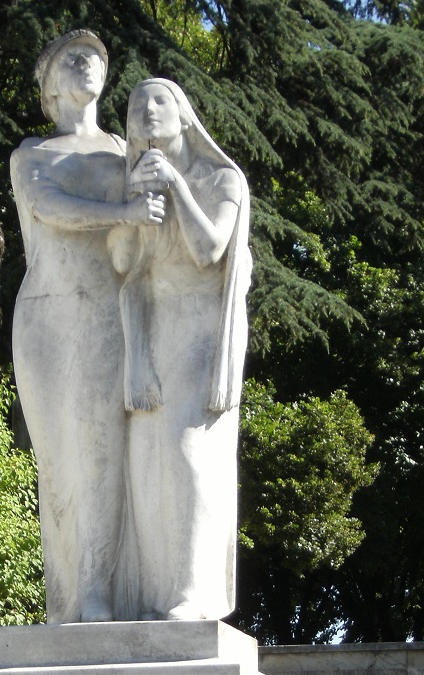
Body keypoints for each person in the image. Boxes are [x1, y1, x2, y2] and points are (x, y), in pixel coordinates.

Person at [10, 31, 165, 623]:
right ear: (49, 85)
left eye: (97, 58)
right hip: (47, 315)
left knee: (102, 453)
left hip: (107, 312)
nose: (89, 65)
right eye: (74, 59)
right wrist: (123, 212)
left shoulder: (127, 152)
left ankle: (98, 590)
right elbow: (50, 209)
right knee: (57, 459)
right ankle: (64, 595)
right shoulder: (31, 155)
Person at [109, 79, 251, 620]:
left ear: (185, 117)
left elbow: (209, 249)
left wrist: (175, 185)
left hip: (200, 331)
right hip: (150, 328)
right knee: (146, 465)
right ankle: (155, 594)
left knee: (192, 459)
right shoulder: (138, 183)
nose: (146, 112)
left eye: (158, 102)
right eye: (136, 106)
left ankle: (195, 593)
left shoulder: (222, 178)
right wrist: (129, 204)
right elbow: (123, 263)